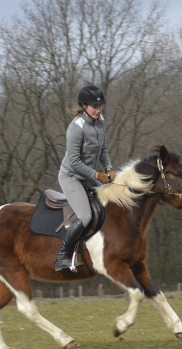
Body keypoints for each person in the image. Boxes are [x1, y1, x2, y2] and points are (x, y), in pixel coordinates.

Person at [55, 85, 116, 271]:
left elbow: (103, 149)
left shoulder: (101, 122)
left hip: (87, 175)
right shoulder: (76, 128)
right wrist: (96, 175)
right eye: (93, 106)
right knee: (86, 215)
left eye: (100, 106)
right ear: (83, 105)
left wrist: (109, 167)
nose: (98, 110)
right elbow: (73, 162)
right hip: (71, 176)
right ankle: (62, 257)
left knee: (110, 198)